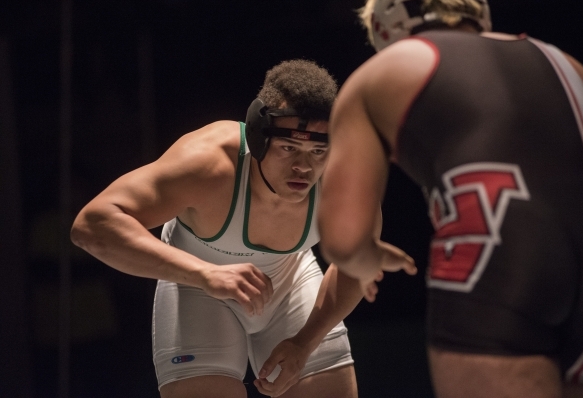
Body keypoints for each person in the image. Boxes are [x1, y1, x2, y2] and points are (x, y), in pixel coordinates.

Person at [71, 59, 406, 398]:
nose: (303, 167)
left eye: (318, 151)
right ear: (259, 139)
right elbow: (92, 225)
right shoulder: (209, 164)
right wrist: (204, 274)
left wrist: (304, 343)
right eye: (289, 148)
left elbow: (353, 267)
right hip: (196, 286)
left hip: (289, 282)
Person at [317, 0, 583, 397]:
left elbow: (343, 242)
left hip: (501, 262)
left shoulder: (381, 74)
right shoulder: (570, 65)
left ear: (383, 28)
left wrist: (372, 258)